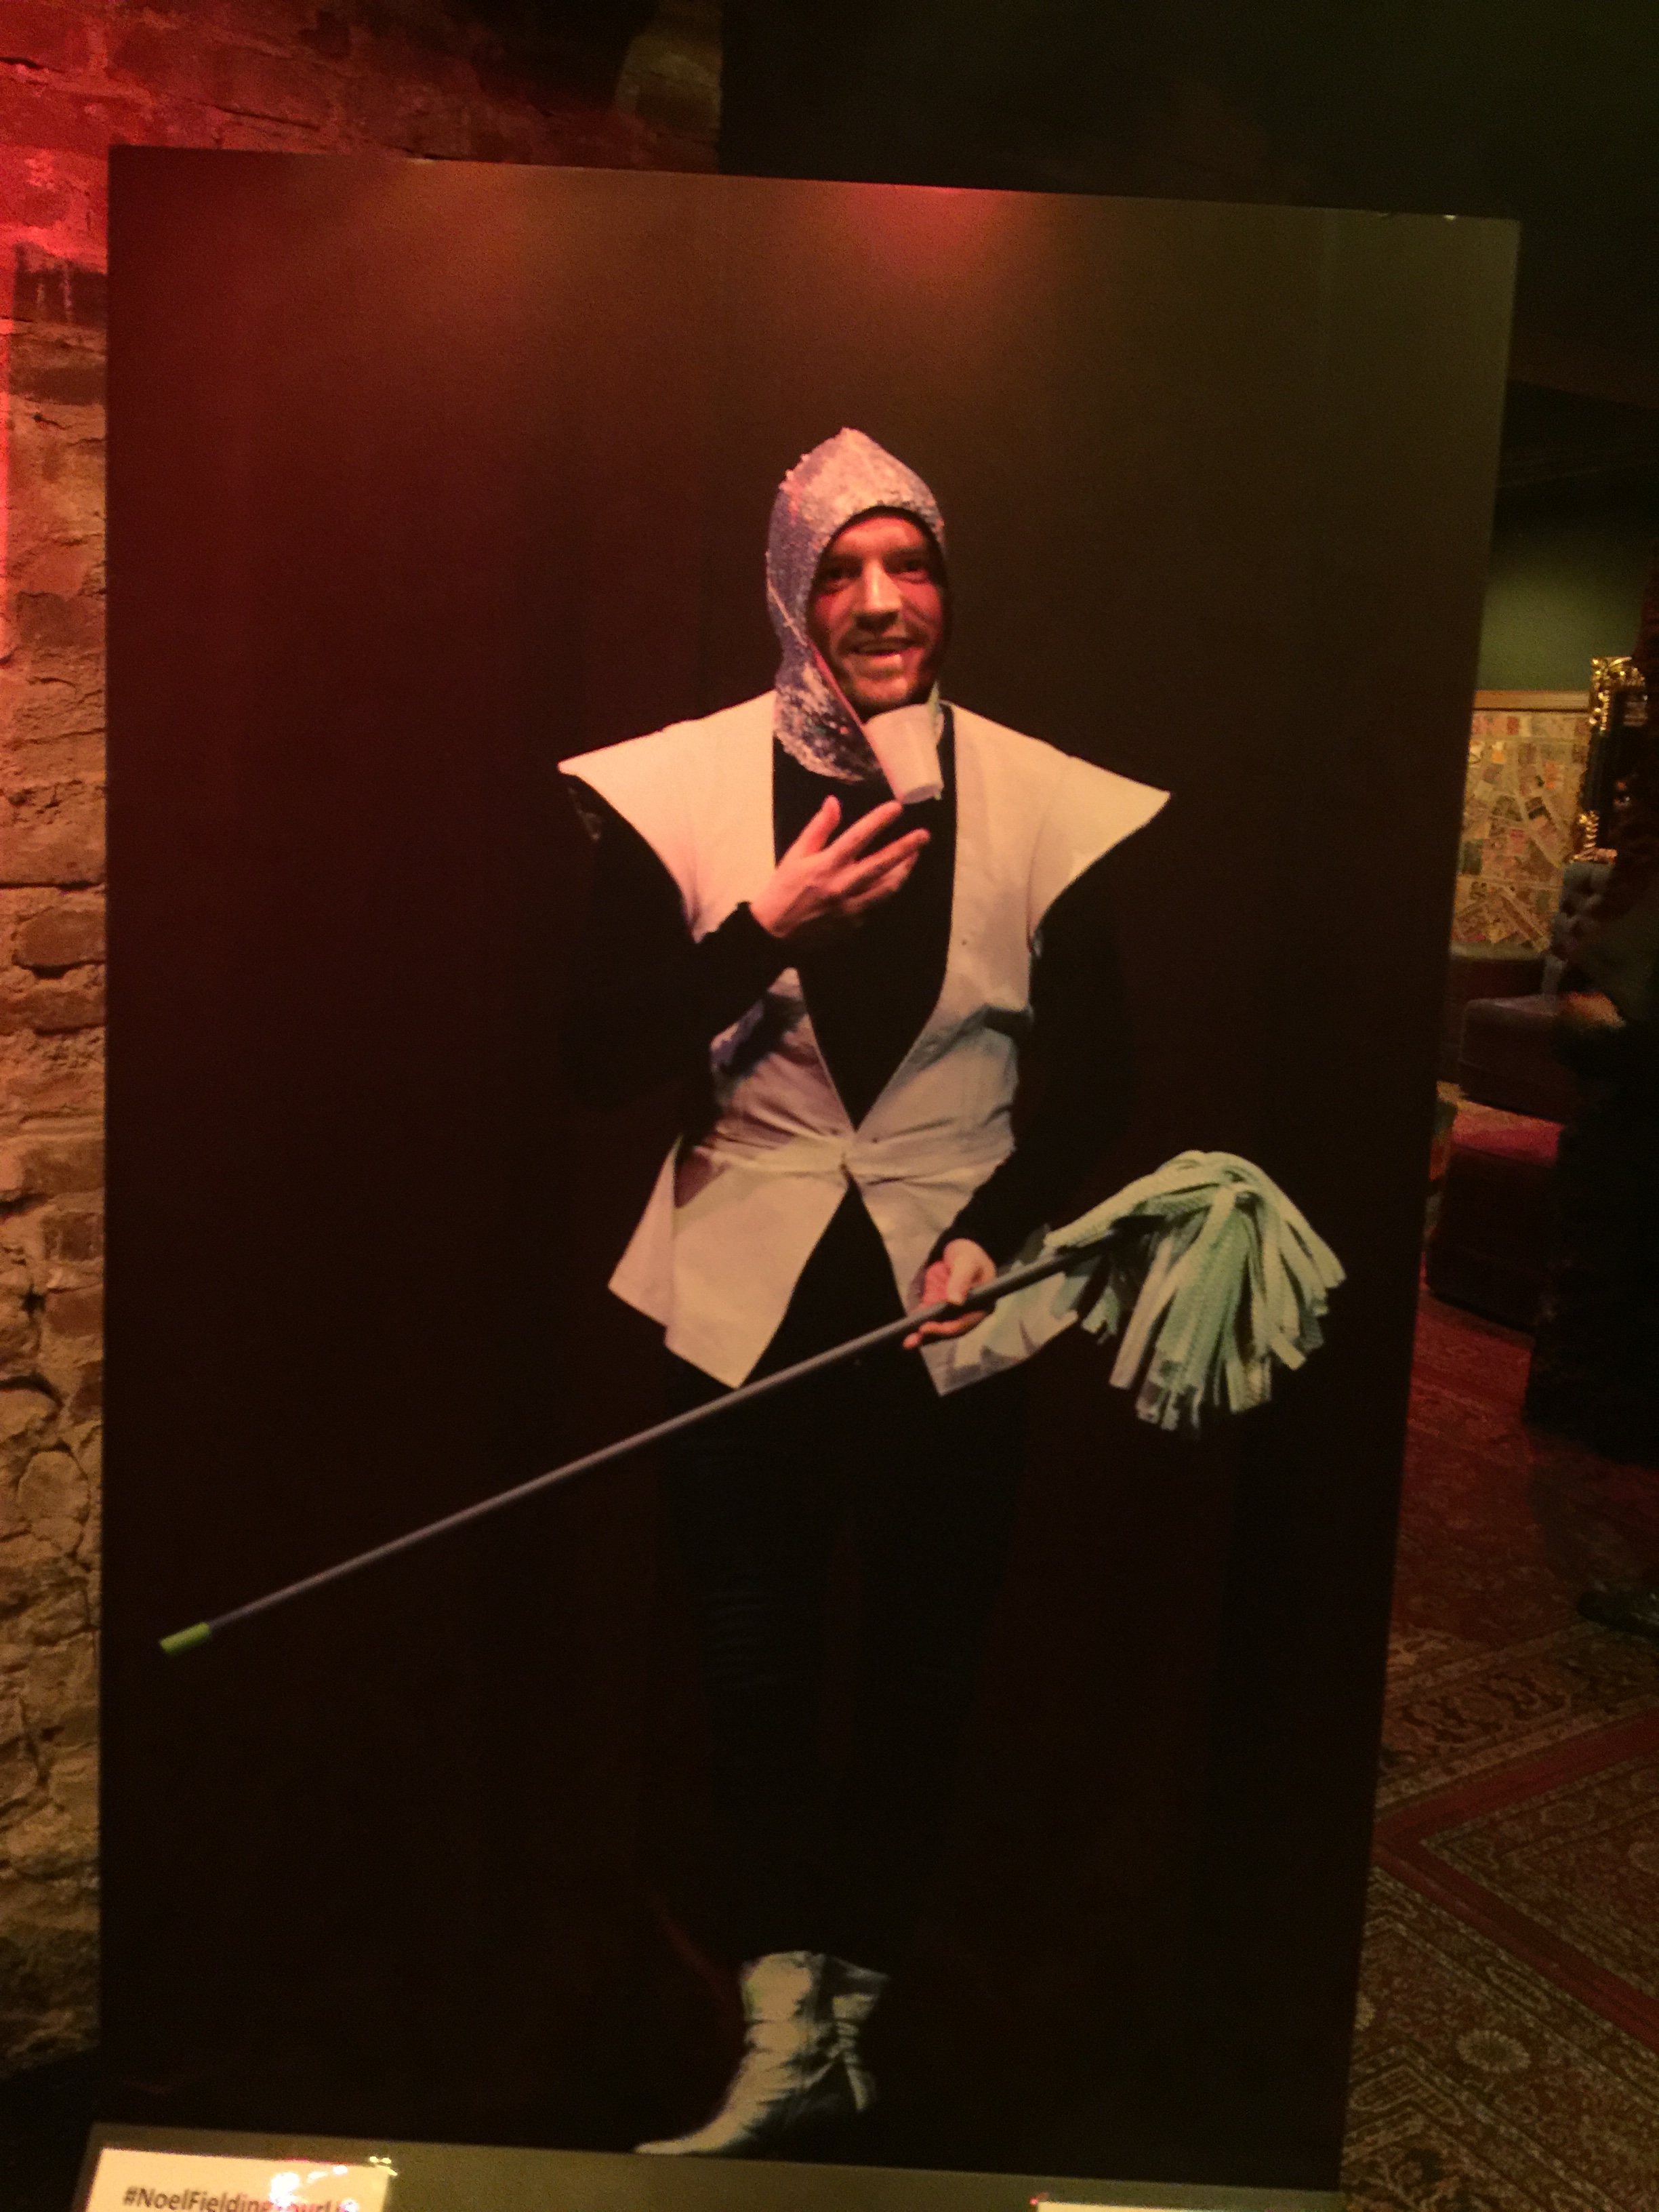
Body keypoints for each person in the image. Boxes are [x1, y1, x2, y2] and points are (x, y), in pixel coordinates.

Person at [560, 428, 1166, 2155]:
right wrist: (765, 927)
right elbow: (592, 1059)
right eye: (843, 568)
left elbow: (1102, 1080)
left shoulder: (1041, 794)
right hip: (740, 1302)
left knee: (921, 1665)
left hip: (952, 1302)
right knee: (752, 1667)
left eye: (914, 565)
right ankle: (780, 2021)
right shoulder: (676, 783)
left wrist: (1003, 1226)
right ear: (788, 591)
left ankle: (862, 2014)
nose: (885, 600)